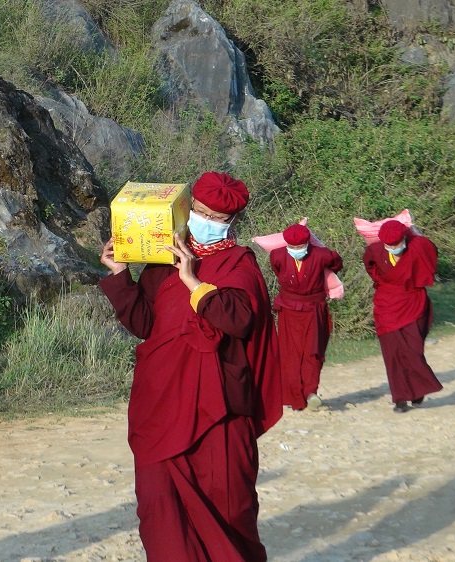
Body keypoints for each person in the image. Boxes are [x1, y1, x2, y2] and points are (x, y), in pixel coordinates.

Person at [98, 171, 282, 561]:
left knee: (228, 509)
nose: (205, 221)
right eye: (199, 211)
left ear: (232, 223)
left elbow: (238, 319)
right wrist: (120, 276)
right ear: (185, 209)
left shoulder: (239, 264)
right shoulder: (163, 259)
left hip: (217, 412)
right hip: (160, 404)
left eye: (216, 218)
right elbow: (145, 324)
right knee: (159, 508)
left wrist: (193, 282)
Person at [362, 219, 443, 413]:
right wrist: (382, 281)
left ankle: (416, 390)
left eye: (397, 244)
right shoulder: (376, 250)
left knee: (413, 350)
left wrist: (412, 231)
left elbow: (432, 252)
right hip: (386, 305)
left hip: (413, 302)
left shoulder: (418, 246)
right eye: (389, 245)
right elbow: (370, 265)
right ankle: (400, 398)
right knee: (393, 354)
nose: (393, 248)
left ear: (404, 238)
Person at [270, 223, 343, 411]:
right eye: (292, 247)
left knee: (313, 351)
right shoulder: (277, 256)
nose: (296, 250)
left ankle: (311, 392)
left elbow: (337, 263)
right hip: (288, 309)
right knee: (289, 353)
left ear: (307, 243)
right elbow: (278, 272)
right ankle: (295, 397)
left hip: (313, 308)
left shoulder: (321, 255)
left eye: (300, 247)